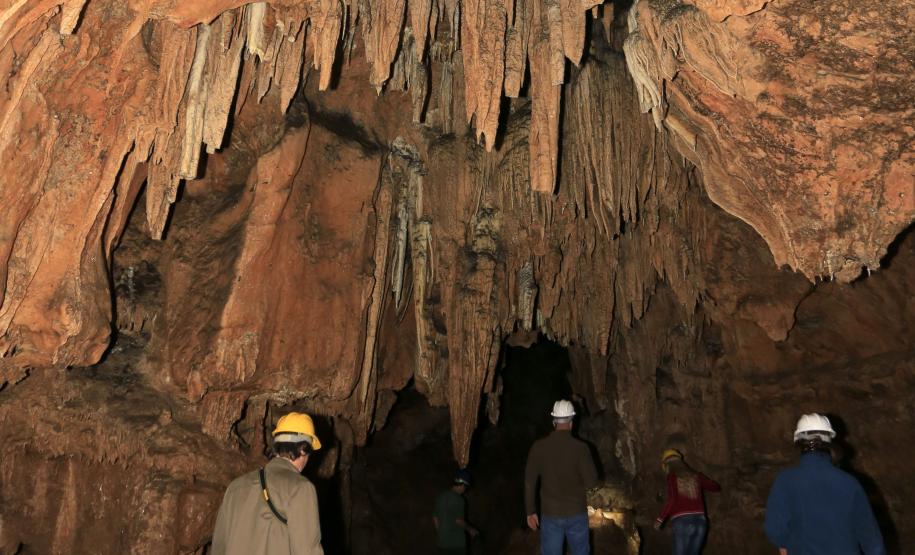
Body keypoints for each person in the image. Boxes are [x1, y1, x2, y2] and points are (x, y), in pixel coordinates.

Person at [764, 413, 885, 555]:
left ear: (798, 443)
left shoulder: (785, 481)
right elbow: (871, 540)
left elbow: (774, 529)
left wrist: (784, 545)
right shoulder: (849, 483)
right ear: (829, 442)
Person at [211, 412, 324, 555]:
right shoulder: (301, 488)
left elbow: (218, 548)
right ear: (303, 449)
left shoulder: (235, 487)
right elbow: (307, 551)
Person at [524, 399, 598, 555]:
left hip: (551, 514)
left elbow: (529, 482)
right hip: (576, 513)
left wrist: (530, 511)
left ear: (554, 421)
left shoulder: (538, 447)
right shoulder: (581, 448)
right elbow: (591, 482)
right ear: (572, 421)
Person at [654, 448, 720, 555]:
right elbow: (715, 487)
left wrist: (660, 519)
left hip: (682, 521)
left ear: (667, 465)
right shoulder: (696, 475)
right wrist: (702, 479)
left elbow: (672, 500)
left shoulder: (672, 477)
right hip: (700, 522)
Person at [432, 469, 479, 554]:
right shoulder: (459, 500)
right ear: (462, 485)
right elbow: (459, 521)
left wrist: (442, 534)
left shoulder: (441, 496)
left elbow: (435, 518)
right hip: (456, 545)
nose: (465, 490)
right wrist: (470, 529)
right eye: (466, 487)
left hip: (442, 543)